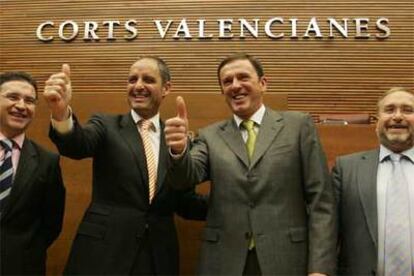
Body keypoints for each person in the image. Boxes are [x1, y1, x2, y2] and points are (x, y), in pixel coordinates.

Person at [164, 53, 336, 275]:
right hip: (224, 261)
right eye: (227, 81)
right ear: (222, 91)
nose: (235, 85)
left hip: (286, 259)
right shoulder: (209, 136)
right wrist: (178, 151)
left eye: (243, 77)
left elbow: (321, 200)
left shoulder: (298, 126)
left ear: (263, 84)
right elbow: (185, 178)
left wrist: (320, 268)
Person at [43, 57, 207, 275]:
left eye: (148, 79)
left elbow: (184, 202)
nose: (138, 86)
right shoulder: (105, 125)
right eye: (132, 80)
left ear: (166, 88)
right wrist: (61, 113)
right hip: (103, 252)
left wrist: (238, 204)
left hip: (157, 257)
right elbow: (77, 144)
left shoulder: (177, 137)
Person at [332, 87, 414, 275]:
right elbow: (327, 233)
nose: (398, 116)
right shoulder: (346, 169)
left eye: (408, 110)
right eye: (389, 110)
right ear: (377, 123)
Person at [0, 71, 66, 275]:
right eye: (13, 97)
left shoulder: (47, 161)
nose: (21, 106)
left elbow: (51, 224)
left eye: (29, 101)